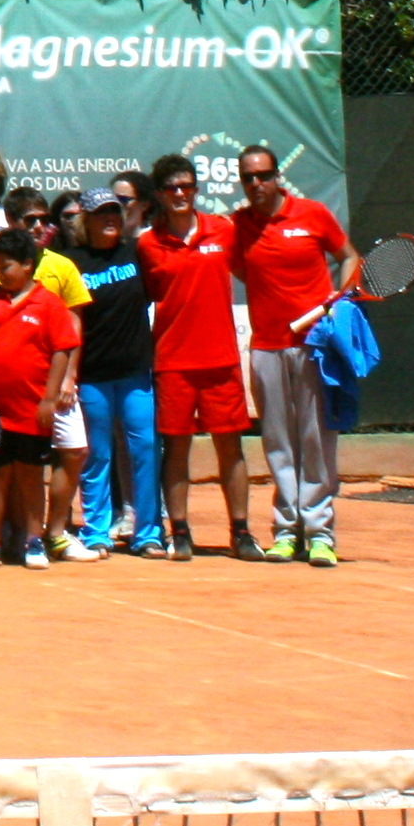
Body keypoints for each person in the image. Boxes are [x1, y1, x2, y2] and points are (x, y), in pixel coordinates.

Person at [230, 146, 359, 566]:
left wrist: (341, 301)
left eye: (263, 175)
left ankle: (320, 533)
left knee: (316, 439)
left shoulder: (313, 214)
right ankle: (287, 532)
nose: (256, 184)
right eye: (248, 177)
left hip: (313, 347)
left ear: (277, 176)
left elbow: (348, 256)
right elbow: (244, 271)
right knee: (278, 442)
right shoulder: (238, 226)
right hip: (266, 347)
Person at [0, 189, 93, 559]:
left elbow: (64, 348)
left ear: (27, 265)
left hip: (32, 410)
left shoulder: (48, 304)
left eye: (5, 267)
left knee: (31, 476)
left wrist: (49, 398)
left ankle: (35, 542)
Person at [139, 154, 254, 562]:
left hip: (221, 360)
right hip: (172, 362)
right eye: (171, 187)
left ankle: (241, 532)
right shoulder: (147, 245)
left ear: (196, 189)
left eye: (186, 186)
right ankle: (180, 531)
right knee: (176, 450)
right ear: (159, 194)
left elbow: (254, 272)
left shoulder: (223, 231)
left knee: (231, 448)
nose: (180, 193)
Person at [64, 189, 160, 560]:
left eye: (114, 213)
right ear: (85, 221)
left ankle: (148, 532)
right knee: (97, 455)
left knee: (145, 450)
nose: (109, 219)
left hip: (135, 371)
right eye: (100, 213)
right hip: (93, 375)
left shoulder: (135, 252)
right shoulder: (73, 261)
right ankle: (96, 532)